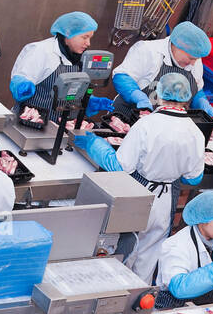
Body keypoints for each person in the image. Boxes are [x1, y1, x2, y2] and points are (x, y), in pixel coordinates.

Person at [75, 73, 205, 285]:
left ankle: (114, 297)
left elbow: (120, 167)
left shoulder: (147, 124)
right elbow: (194, 178)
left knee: (125, 250)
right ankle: (136, 303)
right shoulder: (195, 132)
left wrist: (95, 144)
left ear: (159, 95)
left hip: (139, 193)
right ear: (186, 99)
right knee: (149, 258)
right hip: (166, 200)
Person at [111, 20, 213, 124]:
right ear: (178, 46)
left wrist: (202, 102)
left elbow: (197, 89)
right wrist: (138, 96)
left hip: (161, 126)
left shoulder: (194, 57)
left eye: (196, 59)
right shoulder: (148, 50)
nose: (193, 63)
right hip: (127, 119)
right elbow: (121, 76)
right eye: (191, 58)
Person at [152, 190, 213, 309]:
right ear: (203, 219)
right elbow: (178, 288)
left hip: (204, 309)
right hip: (173, 309)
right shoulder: (176, 244)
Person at [9, 11, 96, 127]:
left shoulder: (80, 56)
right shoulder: (41, 51)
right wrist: (21, 85)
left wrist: (89, 101)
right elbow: (20, 79)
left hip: (60, 126)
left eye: (90, 38)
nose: (88, 43)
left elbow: (76, 90)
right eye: (84, 37)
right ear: (68, 34)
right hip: (30, 124)